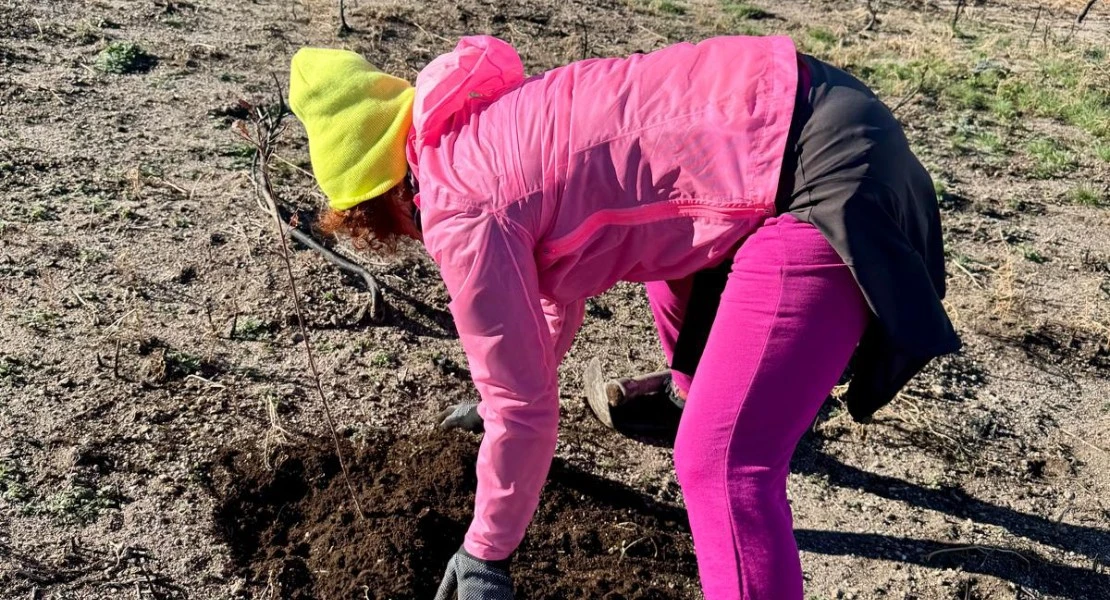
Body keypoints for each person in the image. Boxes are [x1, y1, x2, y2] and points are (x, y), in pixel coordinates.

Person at [287, 34, 959, 600]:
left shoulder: (461, 206)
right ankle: (702, 396)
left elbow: (524, 408)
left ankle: (729, 418)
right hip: (814, 103)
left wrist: (487, 554)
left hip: (825, 180)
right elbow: (547, 298)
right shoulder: (479, 131)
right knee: (666, 252)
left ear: (374, 203)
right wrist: (505, 400)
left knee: (721, 463)